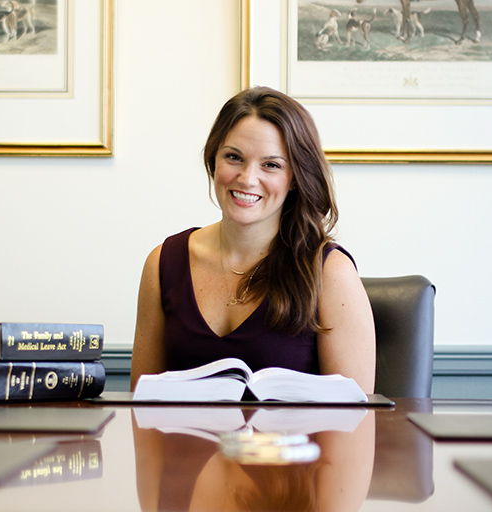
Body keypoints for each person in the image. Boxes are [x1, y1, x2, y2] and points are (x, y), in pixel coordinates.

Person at [130, 86, 375, 394]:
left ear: (296, 177)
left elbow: (355, 424)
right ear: (213, 160)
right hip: (184, 444)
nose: (247, 178)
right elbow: (140, 410)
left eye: (271, 164)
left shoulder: (331, 272)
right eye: (234, 157)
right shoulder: (163, 262)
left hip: (293, 444)